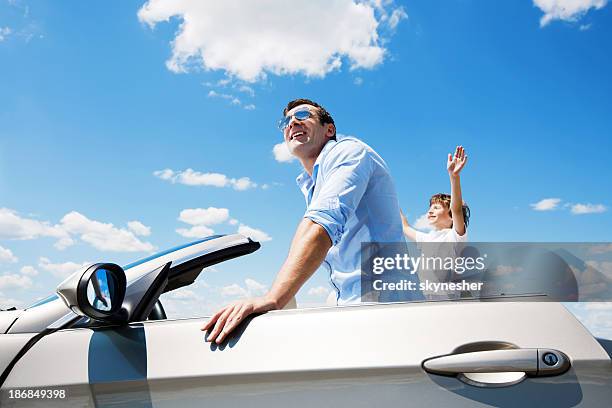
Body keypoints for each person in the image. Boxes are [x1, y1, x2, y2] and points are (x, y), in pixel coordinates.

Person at [202, 98, 418, 343]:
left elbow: (321, 224)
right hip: (358, 307)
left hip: (386, 311)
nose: (292, 121)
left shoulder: (347, 151)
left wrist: (274, 298)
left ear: (329, 130)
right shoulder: (312, 184)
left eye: (303, 115)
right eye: (286, 121)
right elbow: (309, 228)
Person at [401, 146, 470, 243]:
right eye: (430, 208)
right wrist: (392, 199)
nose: (430, 211)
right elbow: (405, 227)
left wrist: (454, 176)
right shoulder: (426, 239)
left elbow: (457, 210)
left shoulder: (455, 237)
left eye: (436, 208)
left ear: (451, 216)